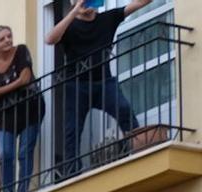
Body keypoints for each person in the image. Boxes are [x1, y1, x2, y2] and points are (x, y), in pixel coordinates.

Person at [48, 0, 155, 176]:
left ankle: (139, 150)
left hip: (104, 81)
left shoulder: (108, 18)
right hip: (76, 85)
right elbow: (50, 39)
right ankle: (72, 173)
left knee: (124, 109)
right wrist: (74, 12)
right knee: (72, 130)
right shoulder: (69, 25)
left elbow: (137, 4)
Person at [0, 25, 45, 192]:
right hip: (4, 115)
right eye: (2, 39)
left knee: (25, 151)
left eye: (9, 36)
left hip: (30, 108)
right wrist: (2, 90)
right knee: (6, 154)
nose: (8, 40)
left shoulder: (21, 51)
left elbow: (24, 79)